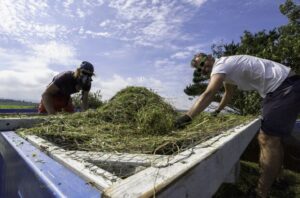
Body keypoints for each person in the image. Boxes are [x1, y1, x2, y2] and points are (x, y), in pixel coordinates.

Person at [174, 53, 300, 198]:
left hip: (283, 87)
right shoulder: (227, 69)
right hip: (281, 87)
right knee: (274, 139)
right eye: (199, 69)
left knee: (267, 138)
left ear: (209, 57)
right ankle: (277, 179)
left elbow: (209, 93)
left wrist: (187, 117)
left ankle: (260, 193)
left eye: (202, 63)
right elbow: (228, 94)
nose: (203, 68)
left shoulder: (220, 66)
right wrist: (217, 111)